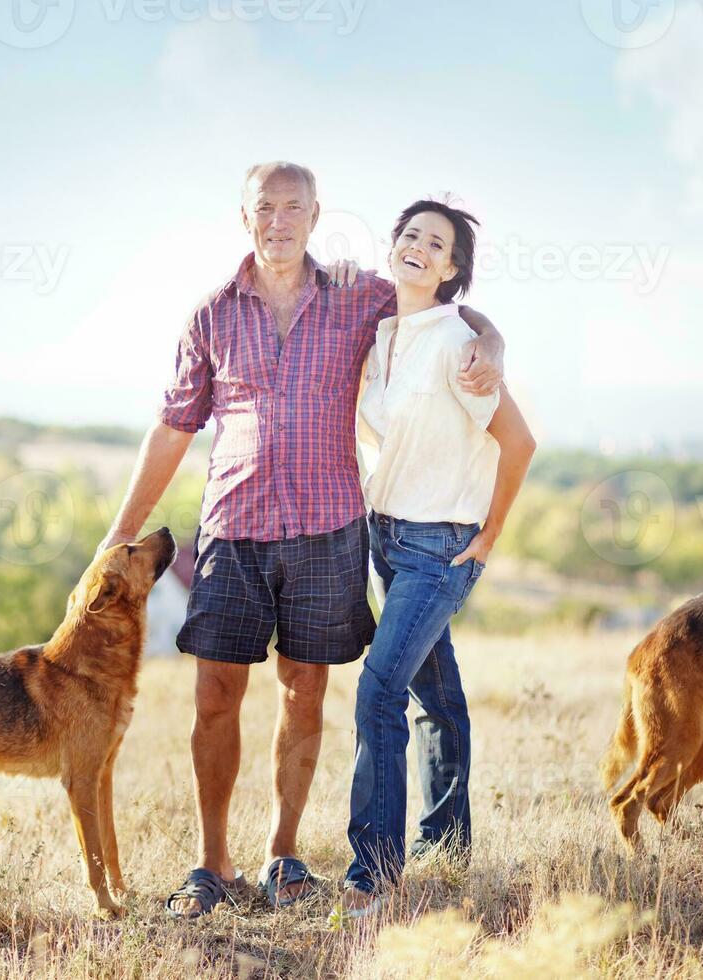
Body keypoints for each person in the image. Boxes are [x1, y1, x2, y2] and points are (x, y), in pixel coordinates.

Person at [96, 162, 506, 918]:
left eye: (293, 207)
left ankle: (283, 856)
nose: (279, 220)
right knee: (215, 695)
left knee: (305, 690)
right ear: (243, 215)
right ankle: (211, 865)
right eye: (265, 208)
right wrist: (122, 529)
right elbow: (173, 426)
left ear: (316, 215)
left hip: (327, 530)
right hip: (233, 530)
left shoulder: (359, 296)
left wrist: (493, 340)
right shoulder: (211, 314)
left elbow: (444, 305)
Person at [339, 199, 536, 917]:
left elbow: (518, 443)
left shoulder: (459, 343)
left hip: (440, 548)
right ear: (393, 248)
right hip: (384, 539)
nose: (419, 247)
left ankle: (374, 871)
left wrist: (487, 537)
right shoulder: (379, 330)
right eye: (411, 236)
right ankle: (447, 842)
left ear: (452, 270)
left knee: (378, 691)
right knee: (434, 696)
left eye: (437, 243)